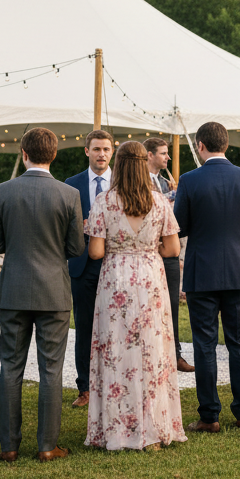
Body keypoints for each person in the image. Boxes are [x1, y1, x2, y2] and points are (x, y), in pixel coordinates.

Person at [84, 141, 187, 450]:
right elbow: (173, 249)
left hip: (116, 280)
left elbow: (96, 252)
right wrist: (147, 248)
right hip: (151, 278)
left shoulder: (104, 201)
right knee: (152, 350)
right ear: (144, 164)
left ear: (119, 165)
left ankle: (118, 429)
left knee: (117, 350)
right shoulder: (160, 201)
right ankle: (154, 428)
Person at [0, 128, 84, 462]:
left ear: (23, 153)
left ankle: (9, 446)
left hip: (14, 290)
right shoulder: (69, 194)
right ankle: (47, 446)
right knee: (51, 370)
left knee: (10, 367)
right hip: (53, 291)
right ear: (54, 154)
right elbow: (76, 247)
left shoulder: (2, 191)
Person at [174, 122, 240, 432]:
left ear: (200, 145)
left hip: (202, 270)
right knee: (239, 343)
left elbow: (179, 226)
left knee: (204, 344)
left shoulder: (189, 180)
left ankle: (209, 416)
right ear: (226, 145)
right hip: (238, 270)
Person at [63, 129, 113, 407]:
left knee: (115, 325)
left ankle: (113, 382)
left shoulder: (122, 182)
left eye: (106, 149)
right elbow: (62, 224)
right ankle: (85, 387)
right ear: (87, 151)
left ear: (112, 151)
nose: (101, 154)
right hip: (82, 264)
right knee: (84, 327)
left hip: (114, 263)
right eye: (96, 149)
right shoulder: (71, 184)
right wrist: (78, 228)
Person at [144, 136, 192, 372]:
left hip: (169, 250)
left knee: (171, 304)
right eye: (163, 153)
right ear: (150, 155)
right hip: (146, 252)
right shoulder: (138, 181)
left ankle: (176, 355)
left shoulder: (166, 182)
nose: (168, 157)